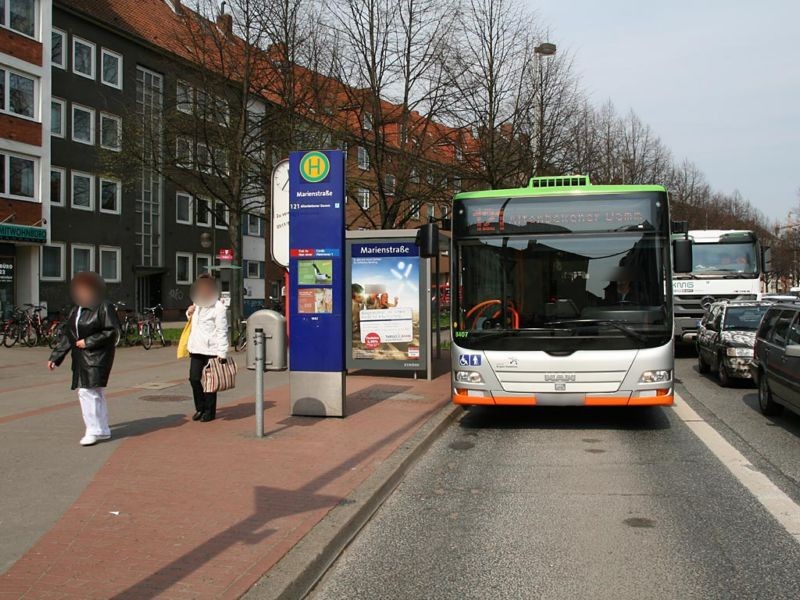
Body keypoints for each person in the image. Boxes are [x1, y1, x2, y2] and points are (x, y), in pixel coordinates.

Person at [48, 272, 120, 447]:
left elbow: (112, 331)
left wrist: (88, 341)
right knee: (95, 393)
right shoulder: (76, 309)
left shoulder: (104, 306)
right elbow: (68, 335)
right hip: (81, 358)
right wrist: (56, 357)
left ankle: (93, 430)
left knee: (87, 392)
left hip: (97, 357)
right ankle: (102, 429)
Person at [186, 273, 228, 422]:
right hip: (196, 348)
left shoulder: (218, 307)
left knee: (210, 382)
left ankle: (209, 412)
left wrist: (222, 353)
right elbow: (195, 323)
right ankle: (200, 407)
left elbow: (222, 331)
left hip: (212, 350)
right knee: (194, 379)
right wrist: (189, 312)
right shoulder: (197, 305)